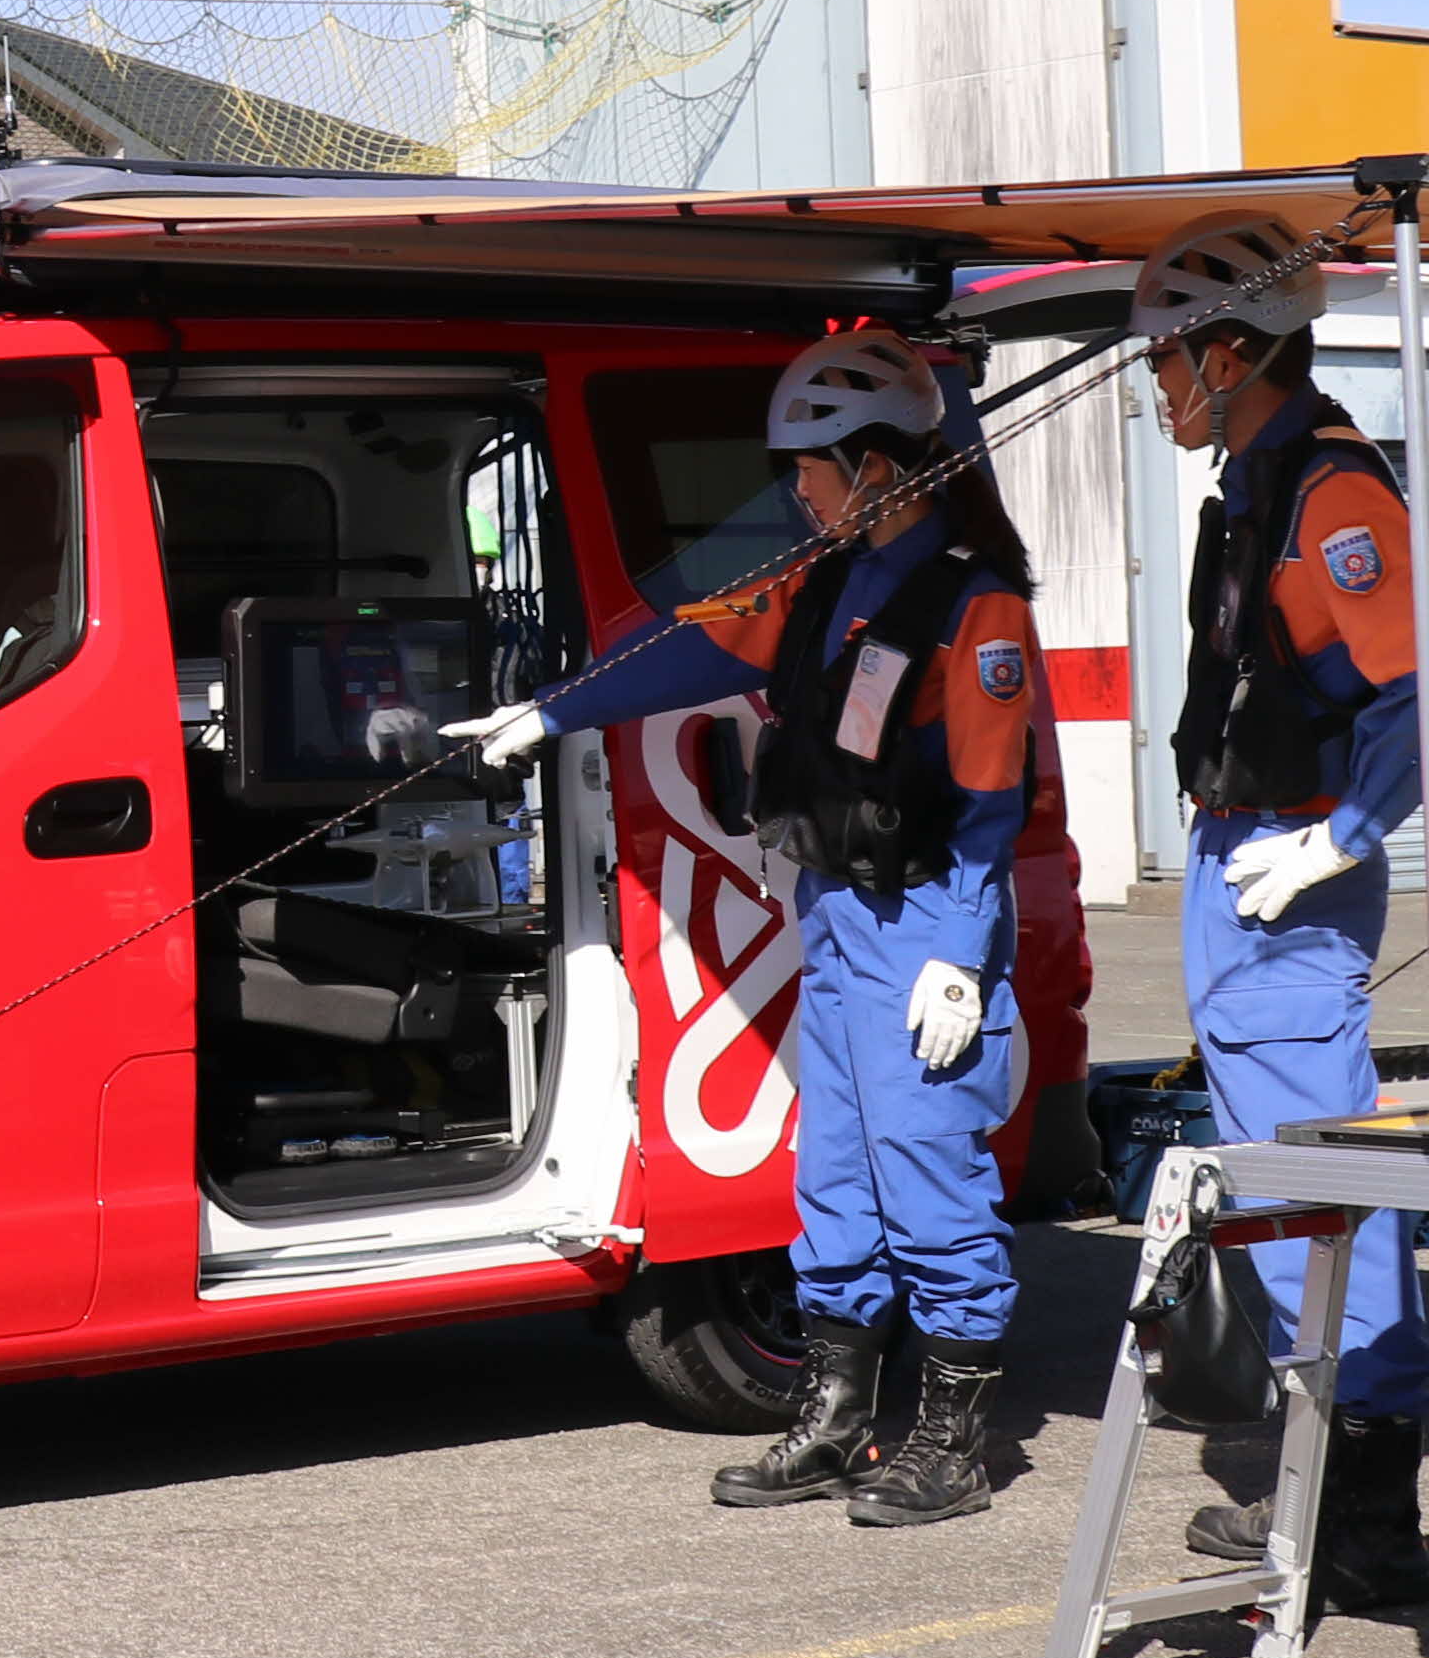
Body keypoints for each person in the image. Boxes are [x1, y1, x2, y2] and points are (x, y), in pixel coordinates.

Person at [450, 330, 1056, 1528]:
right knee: (832, 1176)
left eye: (813, 469)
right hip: (833, 912)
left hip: (925, 917)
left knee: (929, 1175)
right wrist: (547, 711)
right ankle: (836, 1417)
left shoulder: (974, 606)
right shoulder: (826, 579)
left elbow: (993, 803)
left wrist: (961, 955)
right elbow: (693, 646)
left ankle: (953, 1441)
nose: (798, 492)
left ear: (878, 467)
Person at [1130, 215, 1429, 1611]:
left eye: (1168, 358)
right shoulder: (1252, 484)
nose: (1158, 383)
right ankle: (1323, 1466)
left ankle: (1367, 1510)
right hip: (1241, 856)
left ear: (1231, 352)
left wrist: (1342, 835)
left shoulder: (1332, 494)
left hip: (1291, 864)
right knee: (1274, 1168)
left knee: (1315, 1170)